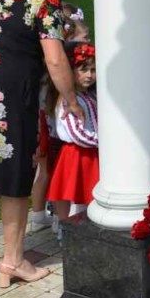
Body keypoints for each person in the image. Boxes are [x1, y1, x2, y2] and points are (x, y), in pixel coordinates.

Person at [0, 0, 84, 286]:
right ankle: (14, 260)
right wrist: (71, 100)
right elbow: (54, 59)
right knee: (16, 176)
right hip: (16, 95)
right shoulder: (43, 1)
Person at [45, 42, 99, 225]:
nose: (89, 75)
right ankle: (63, 225)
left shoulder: (88, 95)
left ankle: (82, 224)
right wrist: (102, 141)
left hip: (89, 152)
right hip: (76, 153)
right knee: (67, 191)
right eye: (83, 70)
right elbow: (77, 133)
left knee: (87, 191)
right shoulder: (69, 100)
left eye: (93, 70)